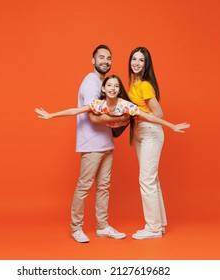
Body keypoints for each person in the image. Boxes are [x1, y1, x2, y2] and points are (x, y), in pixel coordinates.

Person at [36, 45, 128, 243]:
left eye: (109, 58)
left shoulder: (104, 83)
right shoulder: (91, 82)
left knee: (104, 187)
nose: (106, 61)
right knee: (84, 186)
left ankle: (102, 226)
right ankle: (76, 228)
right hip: (91, 144)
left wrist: (119, 119)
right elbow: (94, 118)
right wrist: (119, 119)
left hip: (106, 143)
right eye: (101, 57)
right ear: (93, 60)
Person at [127, 46, 190, 240]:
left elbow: (159, 114)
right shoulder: (132, 84)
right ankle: (159, 224)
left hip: (151, 133)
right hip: (141, 133)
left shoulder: (145, 85)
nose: (136, 63)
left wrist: (138, 113)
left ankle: (152, 228)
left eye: (141, 60)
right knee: (151, 179)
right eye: (134, 59)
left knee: (146, 180)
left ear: (146, 65)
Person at [35, 75, 189, 134]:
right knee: (94, 116)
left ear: (119, 89)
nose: (113, 89)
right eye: (109, 85)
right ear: (103, 88)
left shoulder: (125, 105)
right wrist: (51, 115)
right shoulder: (98, 104)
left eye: (116, 86)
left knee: (134, 114)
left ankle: (130, 113)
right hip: (111, 124)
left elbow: (152, 117)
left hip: (123, 122)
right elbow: (75, 110)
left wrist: (171, 125)